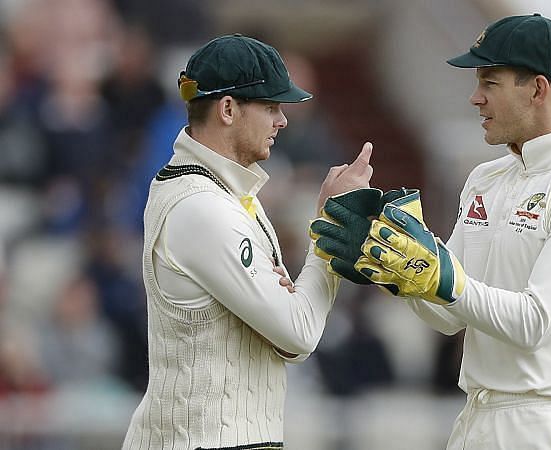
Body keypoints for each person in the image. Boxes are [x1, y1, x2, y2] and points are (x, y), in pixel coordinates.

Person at [313, 14, 551, 449]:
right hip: (478, 417)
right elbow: (448, 315)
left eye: (490, 83)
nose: (475, 98)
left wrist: (442, 276)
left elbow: (534, 323)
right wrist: (395, 269)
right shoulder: (486, 178)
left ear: (538, 89)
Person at [122, 34, 373, 450]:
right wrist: (332, 224)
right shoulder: (203, 207)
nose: (283, 121)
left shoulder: (226, 195)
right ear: (227, 109)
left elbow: (286, 339)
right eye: (271, 106)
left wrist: (291, 307)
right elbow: (298, 333)